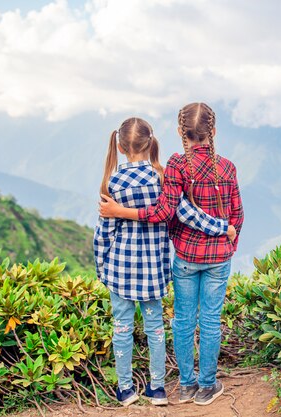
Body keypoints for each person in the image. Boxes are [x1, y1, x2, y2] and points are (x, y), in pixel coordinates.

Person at [99, 103, 244, 406]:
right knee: (210, 320)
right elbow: (237, 213)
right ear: (213, 132)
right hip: (218, 257)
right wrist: (227, 237)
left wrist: (119, 212)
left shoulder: (177, 165)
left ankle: (186, 385)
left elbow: (166, 212)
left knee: (182, 320)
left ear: (180, 132)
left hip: (185, 258)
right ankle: (206, 386)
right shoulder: (227, 167)